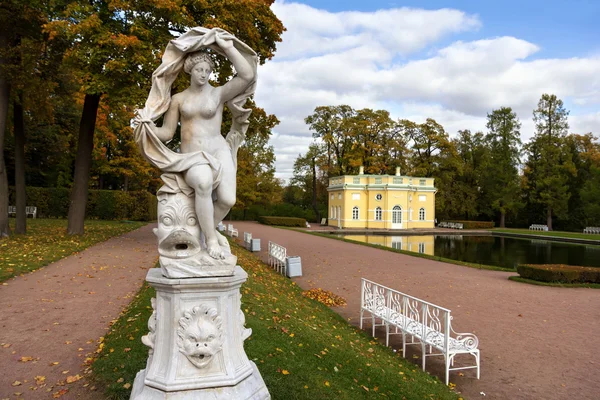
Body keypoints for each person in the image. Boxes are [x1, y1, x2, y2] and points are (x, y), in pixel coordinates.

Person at [148, 33, 255, 260]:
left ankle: (205, 231)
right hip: (192, 155)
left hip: (218, 150)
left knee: (228, 200)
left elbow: (246, 75)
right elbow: (167, 133)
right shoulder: (178, 99)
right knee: (204, 183)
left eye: (207, 70)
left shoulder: (218, 94)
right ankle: (212, 240)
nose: (204, 74)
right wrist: (147, 127)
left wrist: (228, 48)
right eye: (200, 70)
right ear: (190, 70)